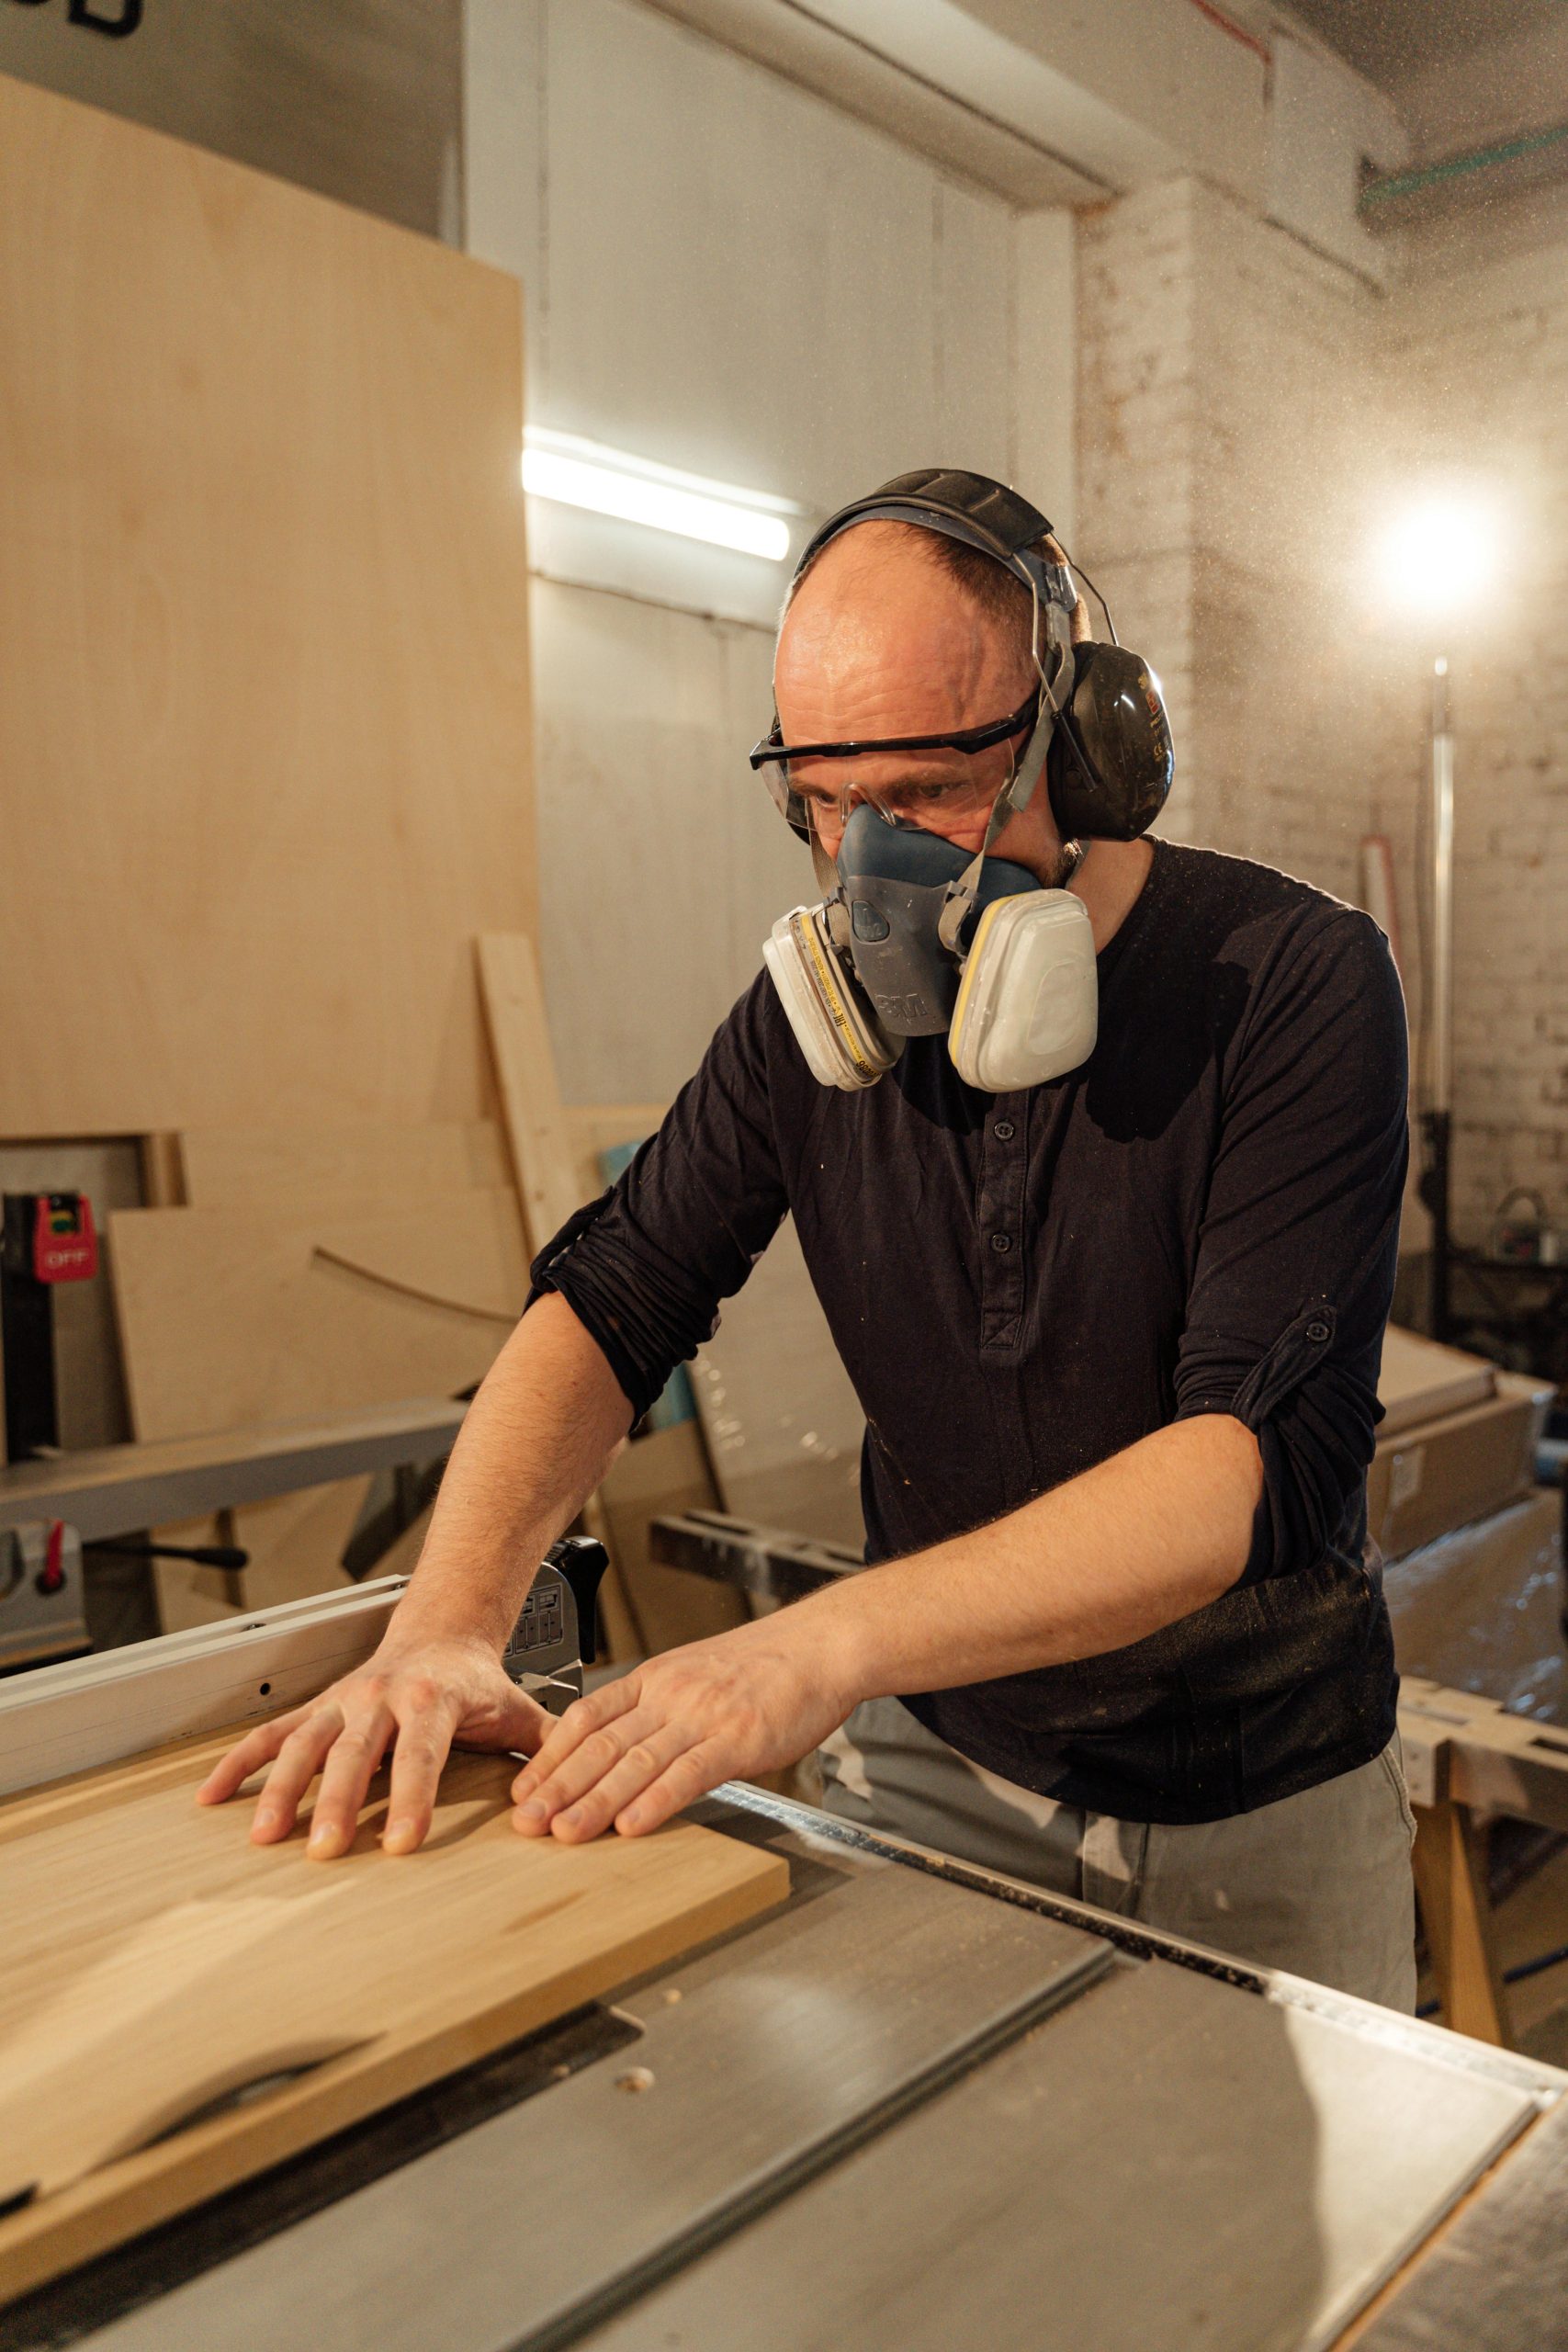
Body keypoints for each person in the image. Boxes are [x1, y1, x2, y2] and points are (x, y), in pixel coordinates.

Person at [201, 470, 1416, 2009]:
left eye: (924, 793)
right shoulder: (816, 1026)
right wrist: (448, 1625)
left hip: (1264, 1801)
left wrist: (810, 1651)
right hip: (940, 1751)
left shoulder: (1294, 982)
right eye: (825, 799)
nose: (870, 868)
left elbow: (1236, 1471)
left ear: (1090, 743)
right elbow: (611, 1299)